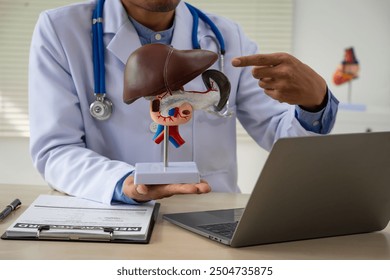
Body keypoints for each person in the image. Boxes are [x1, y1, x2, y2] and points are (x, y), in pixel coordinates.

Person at [28, 0, 339, 205]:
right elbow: (56, 150)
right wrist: (123, 183)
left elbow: (279, 133)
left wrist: (314, 103)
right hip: (113, 216)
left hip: (212, 214)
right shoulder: (60, 30)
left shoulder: (226, 36)